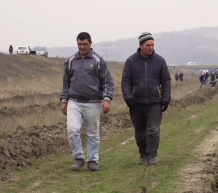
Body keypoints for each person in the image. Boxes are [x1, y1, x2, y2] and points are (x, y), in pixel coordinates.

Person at [60, 32, 114, 172]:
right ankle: (78, 158)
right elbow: (66, 82)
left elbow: (107, 81)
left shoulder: (98, 61)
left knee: (93, 133)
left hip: (93, 102)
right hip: (74, 101)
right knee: (72, 129)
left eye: (85, 44)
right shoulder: (71, 61)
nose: (82, 47)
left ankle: (92, 160)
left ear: (90, 43)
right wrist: (64, 100)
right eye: (79, 44)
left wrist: (107, 99)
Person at [121, 32, 172, 166]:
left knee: (153, 130)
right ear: (141, 45)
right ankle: (143, 155)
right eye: (148, 45)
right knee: (140, 133)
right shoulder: (130, 62)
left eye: (152, 45)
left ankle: (152, 155)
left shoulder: (160, 61)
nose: (151, 48)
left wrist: (166, 98)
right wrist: (128, 97)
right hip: (136, 103)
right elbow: (125, 81)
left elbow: (166, 80)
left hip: (155, 102)